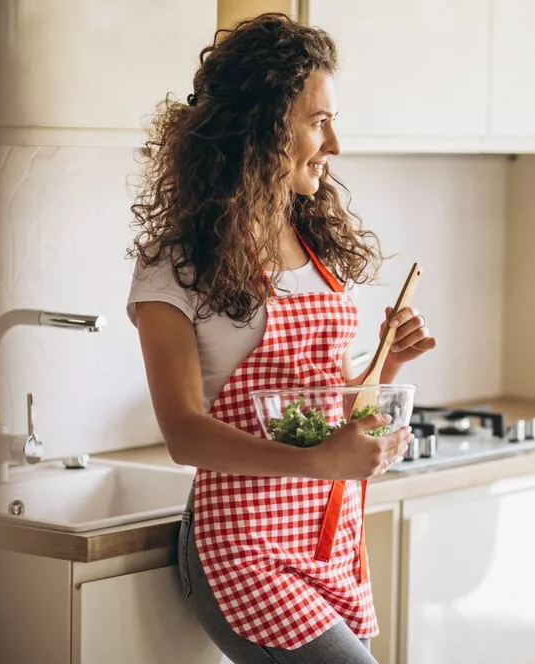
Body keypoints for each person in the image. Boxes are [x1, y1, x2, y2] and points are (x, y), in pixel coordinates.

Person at [126, 13, 436, 664]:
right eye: (319, 121)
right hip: (244, 551)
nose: (336, 144)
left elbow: (317, 405)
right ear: (262, 126)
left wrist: (384, 362)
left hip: (328, 537)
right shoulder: (178, 264)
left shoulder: (315, 245)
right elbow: (183, 432)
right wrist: (321, 462)